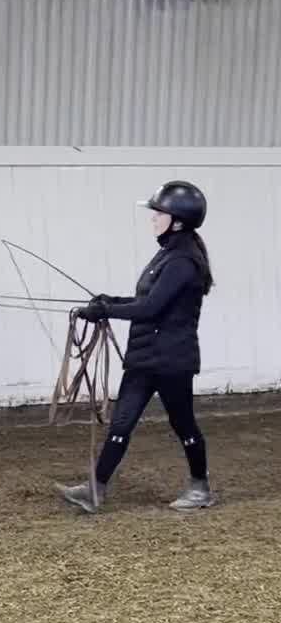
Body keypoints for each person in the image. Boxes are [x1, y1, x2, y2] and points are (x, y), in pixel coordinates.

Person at [58, 180, 215, 513]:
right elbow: (145, 301)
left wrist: (107, 311)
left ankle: (200, 488)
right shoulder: (167, 254)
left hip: (172, 360)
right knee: (121, 424)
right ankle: (95, 490)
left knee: (183, 424)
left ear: (178, 220)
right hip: (145, 358)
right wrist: (108, 302)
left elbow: (151, 309)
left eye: (159, 213)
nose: (153, 218)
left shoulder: (183, 262)